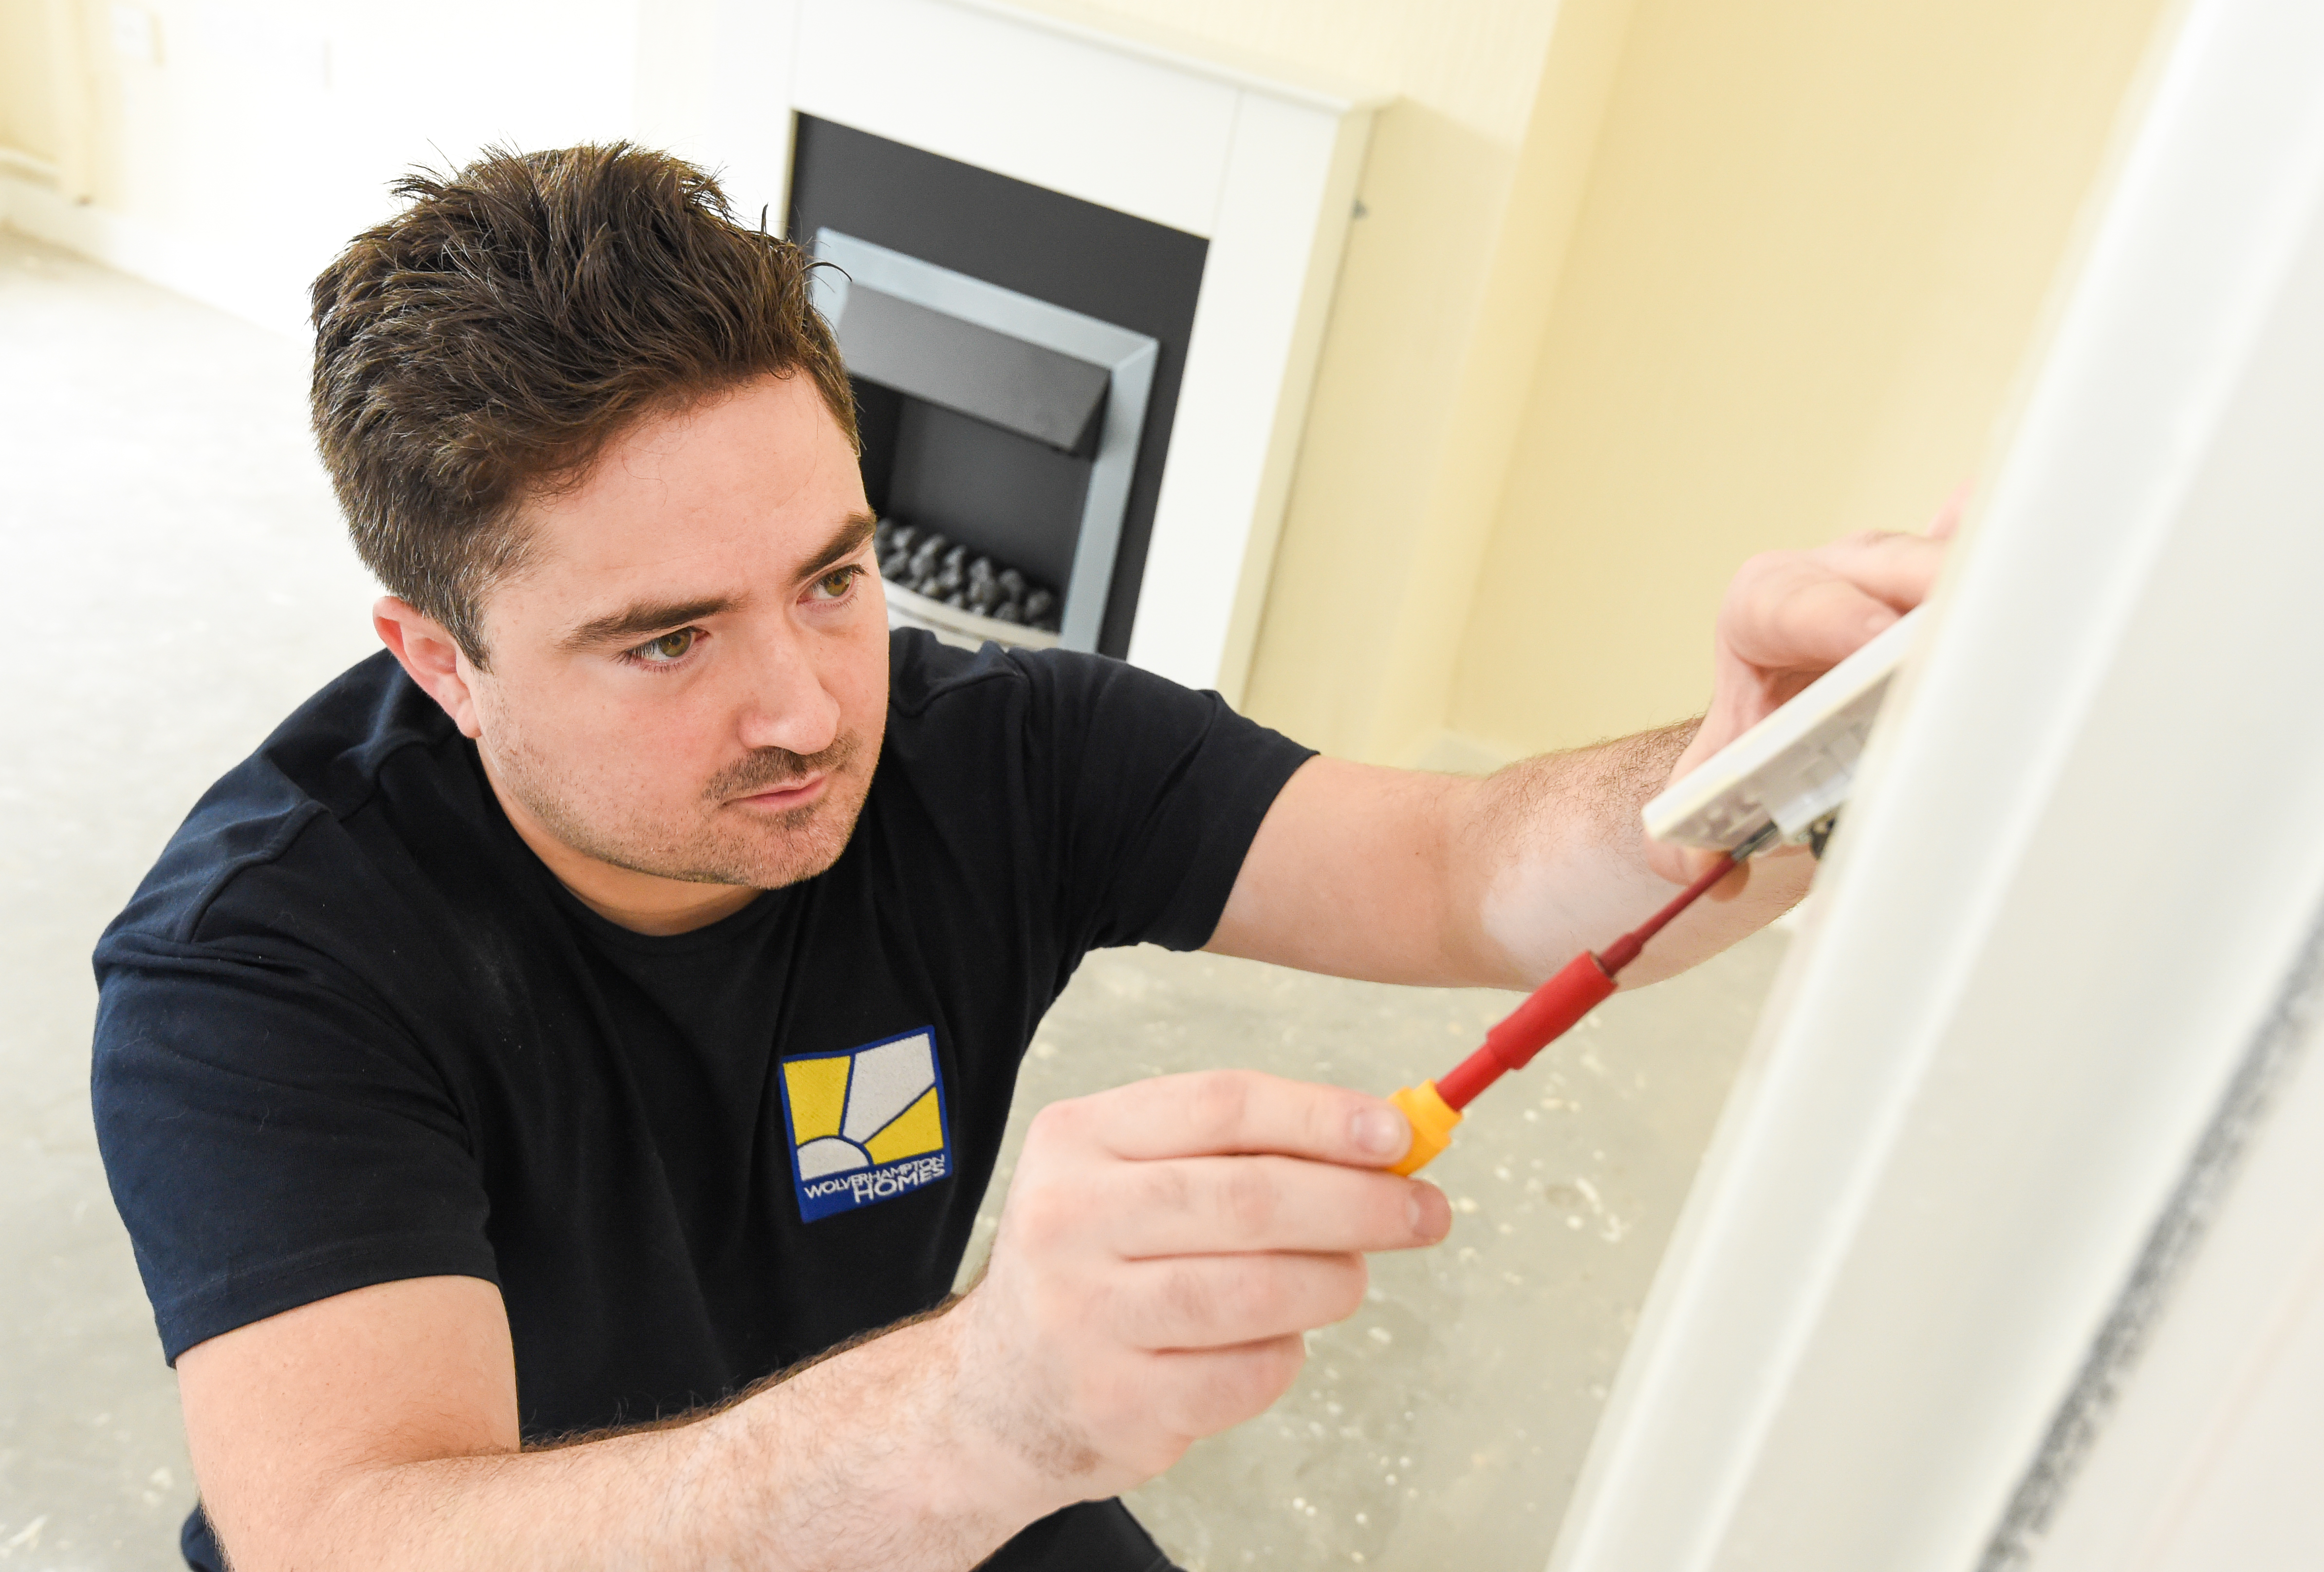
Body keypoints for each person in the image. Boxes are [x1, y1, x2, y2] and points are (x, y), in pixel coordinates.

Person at [91, 144, 1948, 1572]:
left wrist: (1764, 764)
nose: (812, 708)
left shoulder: (993, 755)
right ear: (441, 662)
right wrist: (973, 1414)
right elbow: (352, 1534)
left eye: (832, 577)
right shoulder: (257, 964)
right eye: (669, 640)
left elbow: (1463, 866)